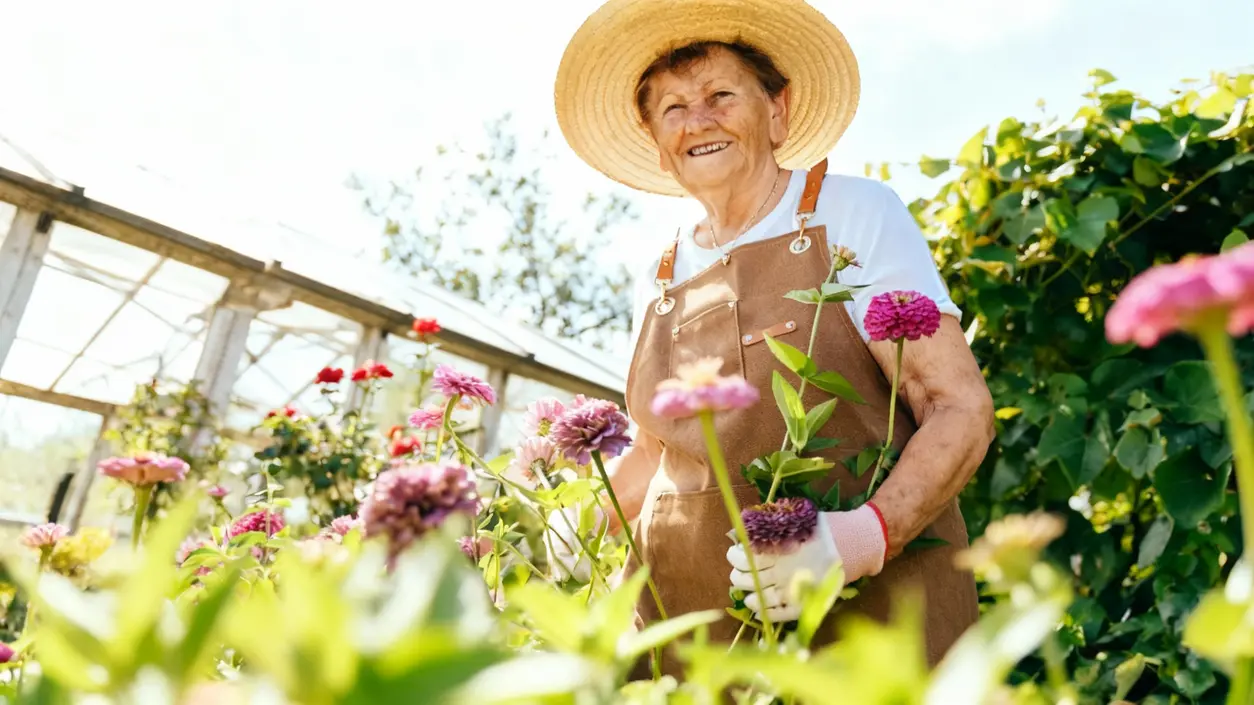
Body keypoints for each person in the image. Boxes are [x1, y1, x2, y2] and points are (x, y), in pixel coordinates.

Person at [549, 0, 995, 674]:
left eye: (720, 95)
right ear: (657, 142)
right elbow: (656, 453)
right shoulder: (661, 273)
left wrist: (863, 537)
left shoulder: (852, 214)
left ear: (777, 110)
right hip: (691, 640)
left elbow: (958, 407)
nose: (697, 120)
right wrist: (582, 519)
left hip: (868, 626)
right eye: (672, 107)